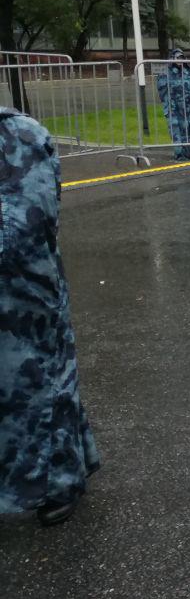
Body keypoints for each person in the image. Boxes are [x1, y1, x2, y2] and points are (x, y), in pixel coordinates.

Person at [0, 107, 101, 527]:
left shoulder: (19, 136)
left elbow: (26, 225)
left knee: (42, 385)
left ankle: (58, 482)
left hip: (24, 295)